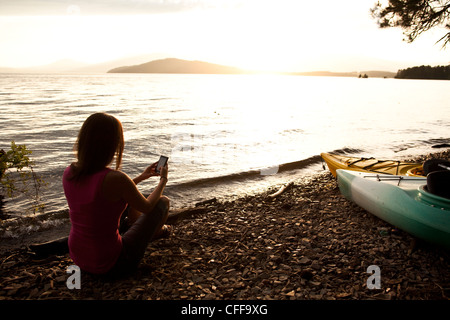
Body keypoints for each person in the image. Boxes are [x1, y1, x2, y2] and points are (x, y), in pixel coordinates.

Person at [62, 112, 170, 278]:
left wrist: (142, 176)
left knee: (130, 203)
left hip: (79, 258)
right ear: (113, 144)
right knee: (162, 202)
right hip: (113, 263)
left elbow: (105, 195)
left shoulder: (70, 172)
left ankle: (145, 230)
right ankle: (158, 232)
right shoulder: (116, 178)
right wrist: (163, 180)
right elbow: (147, 207)